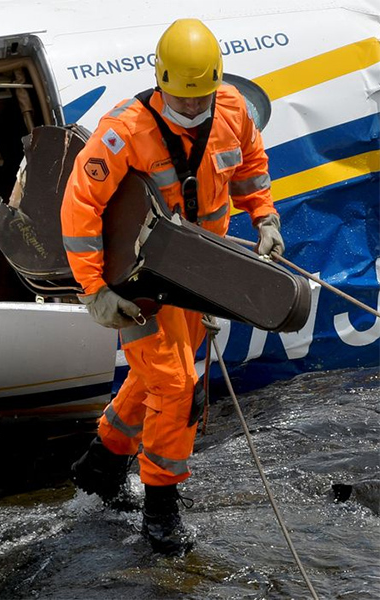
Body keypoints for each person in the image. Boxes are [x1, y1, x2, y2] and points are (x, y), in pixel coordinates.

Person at [60, 18, 285, 556]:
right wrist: (94, 291)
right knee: (177, 386)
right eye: (181, 101)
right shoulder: (123, 132)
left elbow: (251, 168)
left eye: (200, 98)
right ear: (160, 81)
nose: (191, 109)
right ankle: (160, 511)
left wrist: (265, 217)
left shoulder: (232, 112)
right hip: (139, 280)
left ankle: (102, 463)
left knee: (163, 376)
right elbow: (79, 207)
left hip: (199, 274)